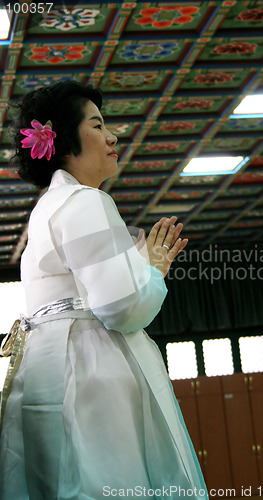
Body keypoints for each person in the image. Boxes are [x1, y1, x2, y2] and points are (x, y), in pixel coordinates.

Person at [0, 81, 208, 499]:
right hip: (89, 372)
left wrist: (140, 265)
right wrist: (154, 270)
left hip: (46, 368)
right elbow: (121, 306)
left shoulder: (46, 209)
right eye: (97, 125)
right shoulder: (85, 201)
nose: (113, 136)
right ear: (64, 141)